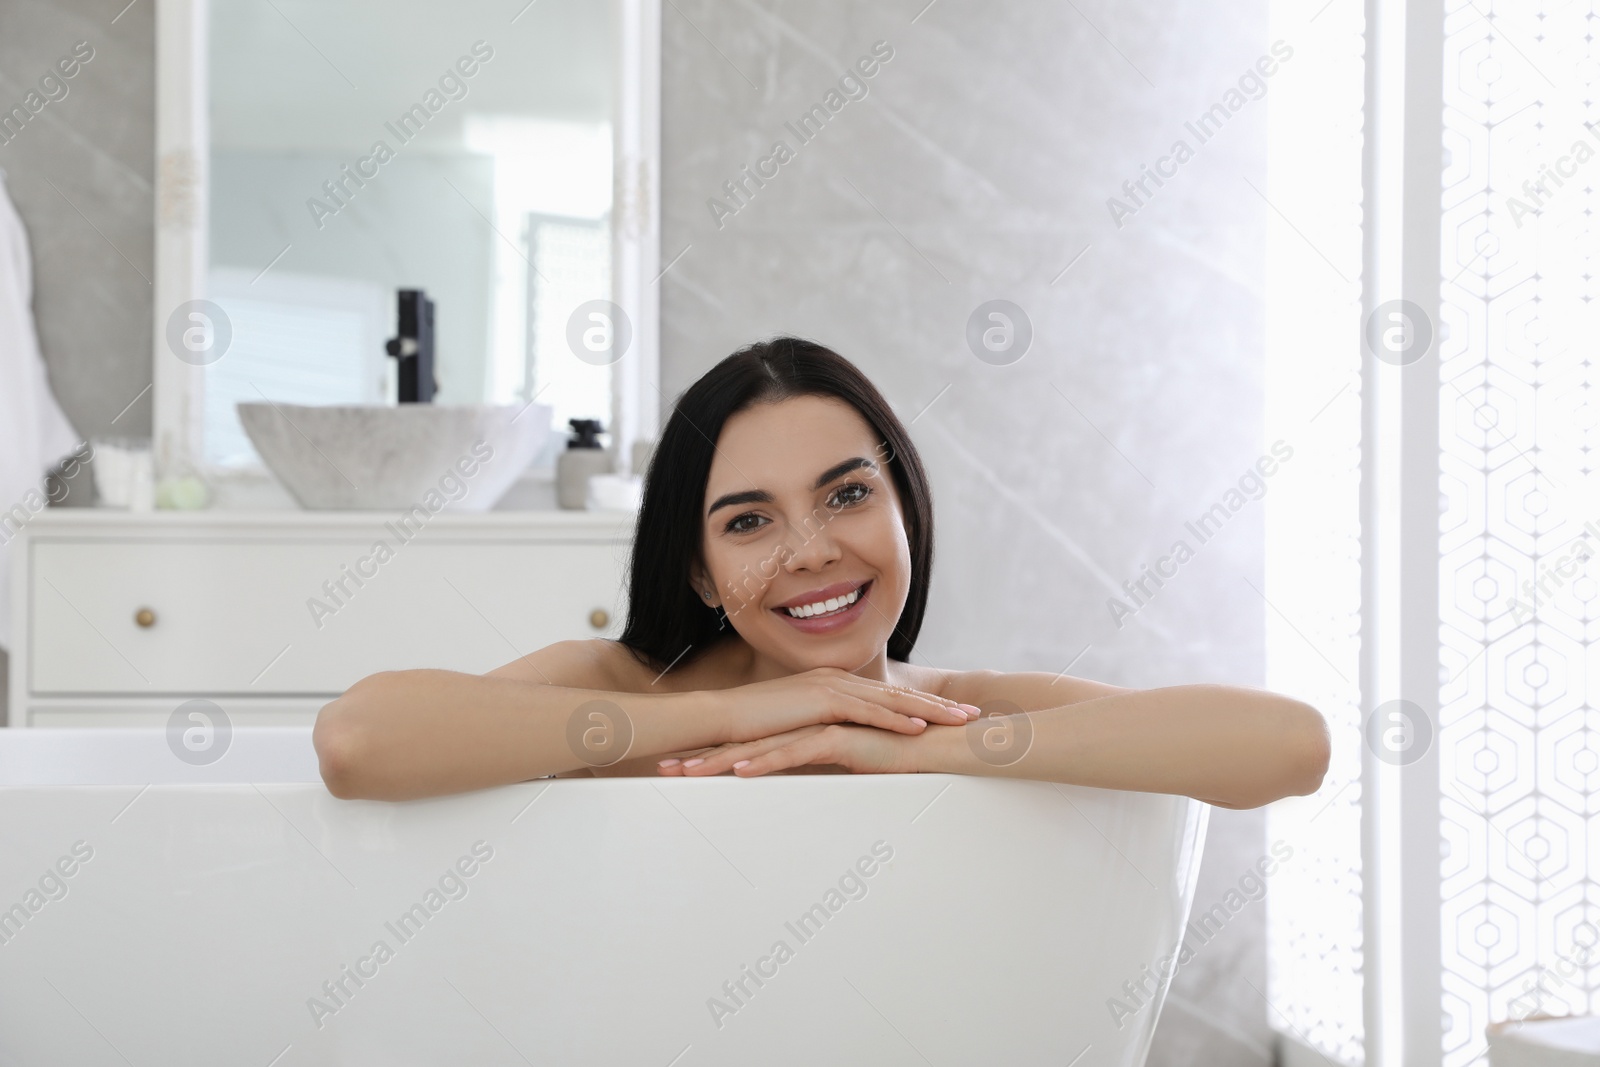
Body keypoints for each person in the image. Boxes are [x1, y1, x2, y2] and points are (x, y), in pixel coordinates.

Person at [313, 336, 1329, 806]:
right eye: (748, 520)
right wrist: (742, 714)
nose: (811, 550)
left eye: (846, 495)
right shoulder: (621, 687)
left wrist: (902, 751)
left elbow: (1287, 744)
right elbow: (361, 741)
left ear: (903, 513)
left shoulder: (949, 709)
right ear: (702, 573)